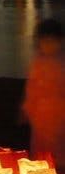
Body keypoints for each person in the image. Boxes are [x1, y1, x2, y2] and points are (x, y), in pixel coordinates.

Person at [22, 19, 65, 166]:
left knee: (59, 148)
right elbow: (31, 88)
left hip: (60, 114)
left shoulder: (62, 63)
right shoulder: (37, 62)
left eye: (53, 41)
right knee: (41, 149)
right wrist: (27, 109)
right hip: (40, 116)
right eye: (45, 41)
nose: (49, 45)